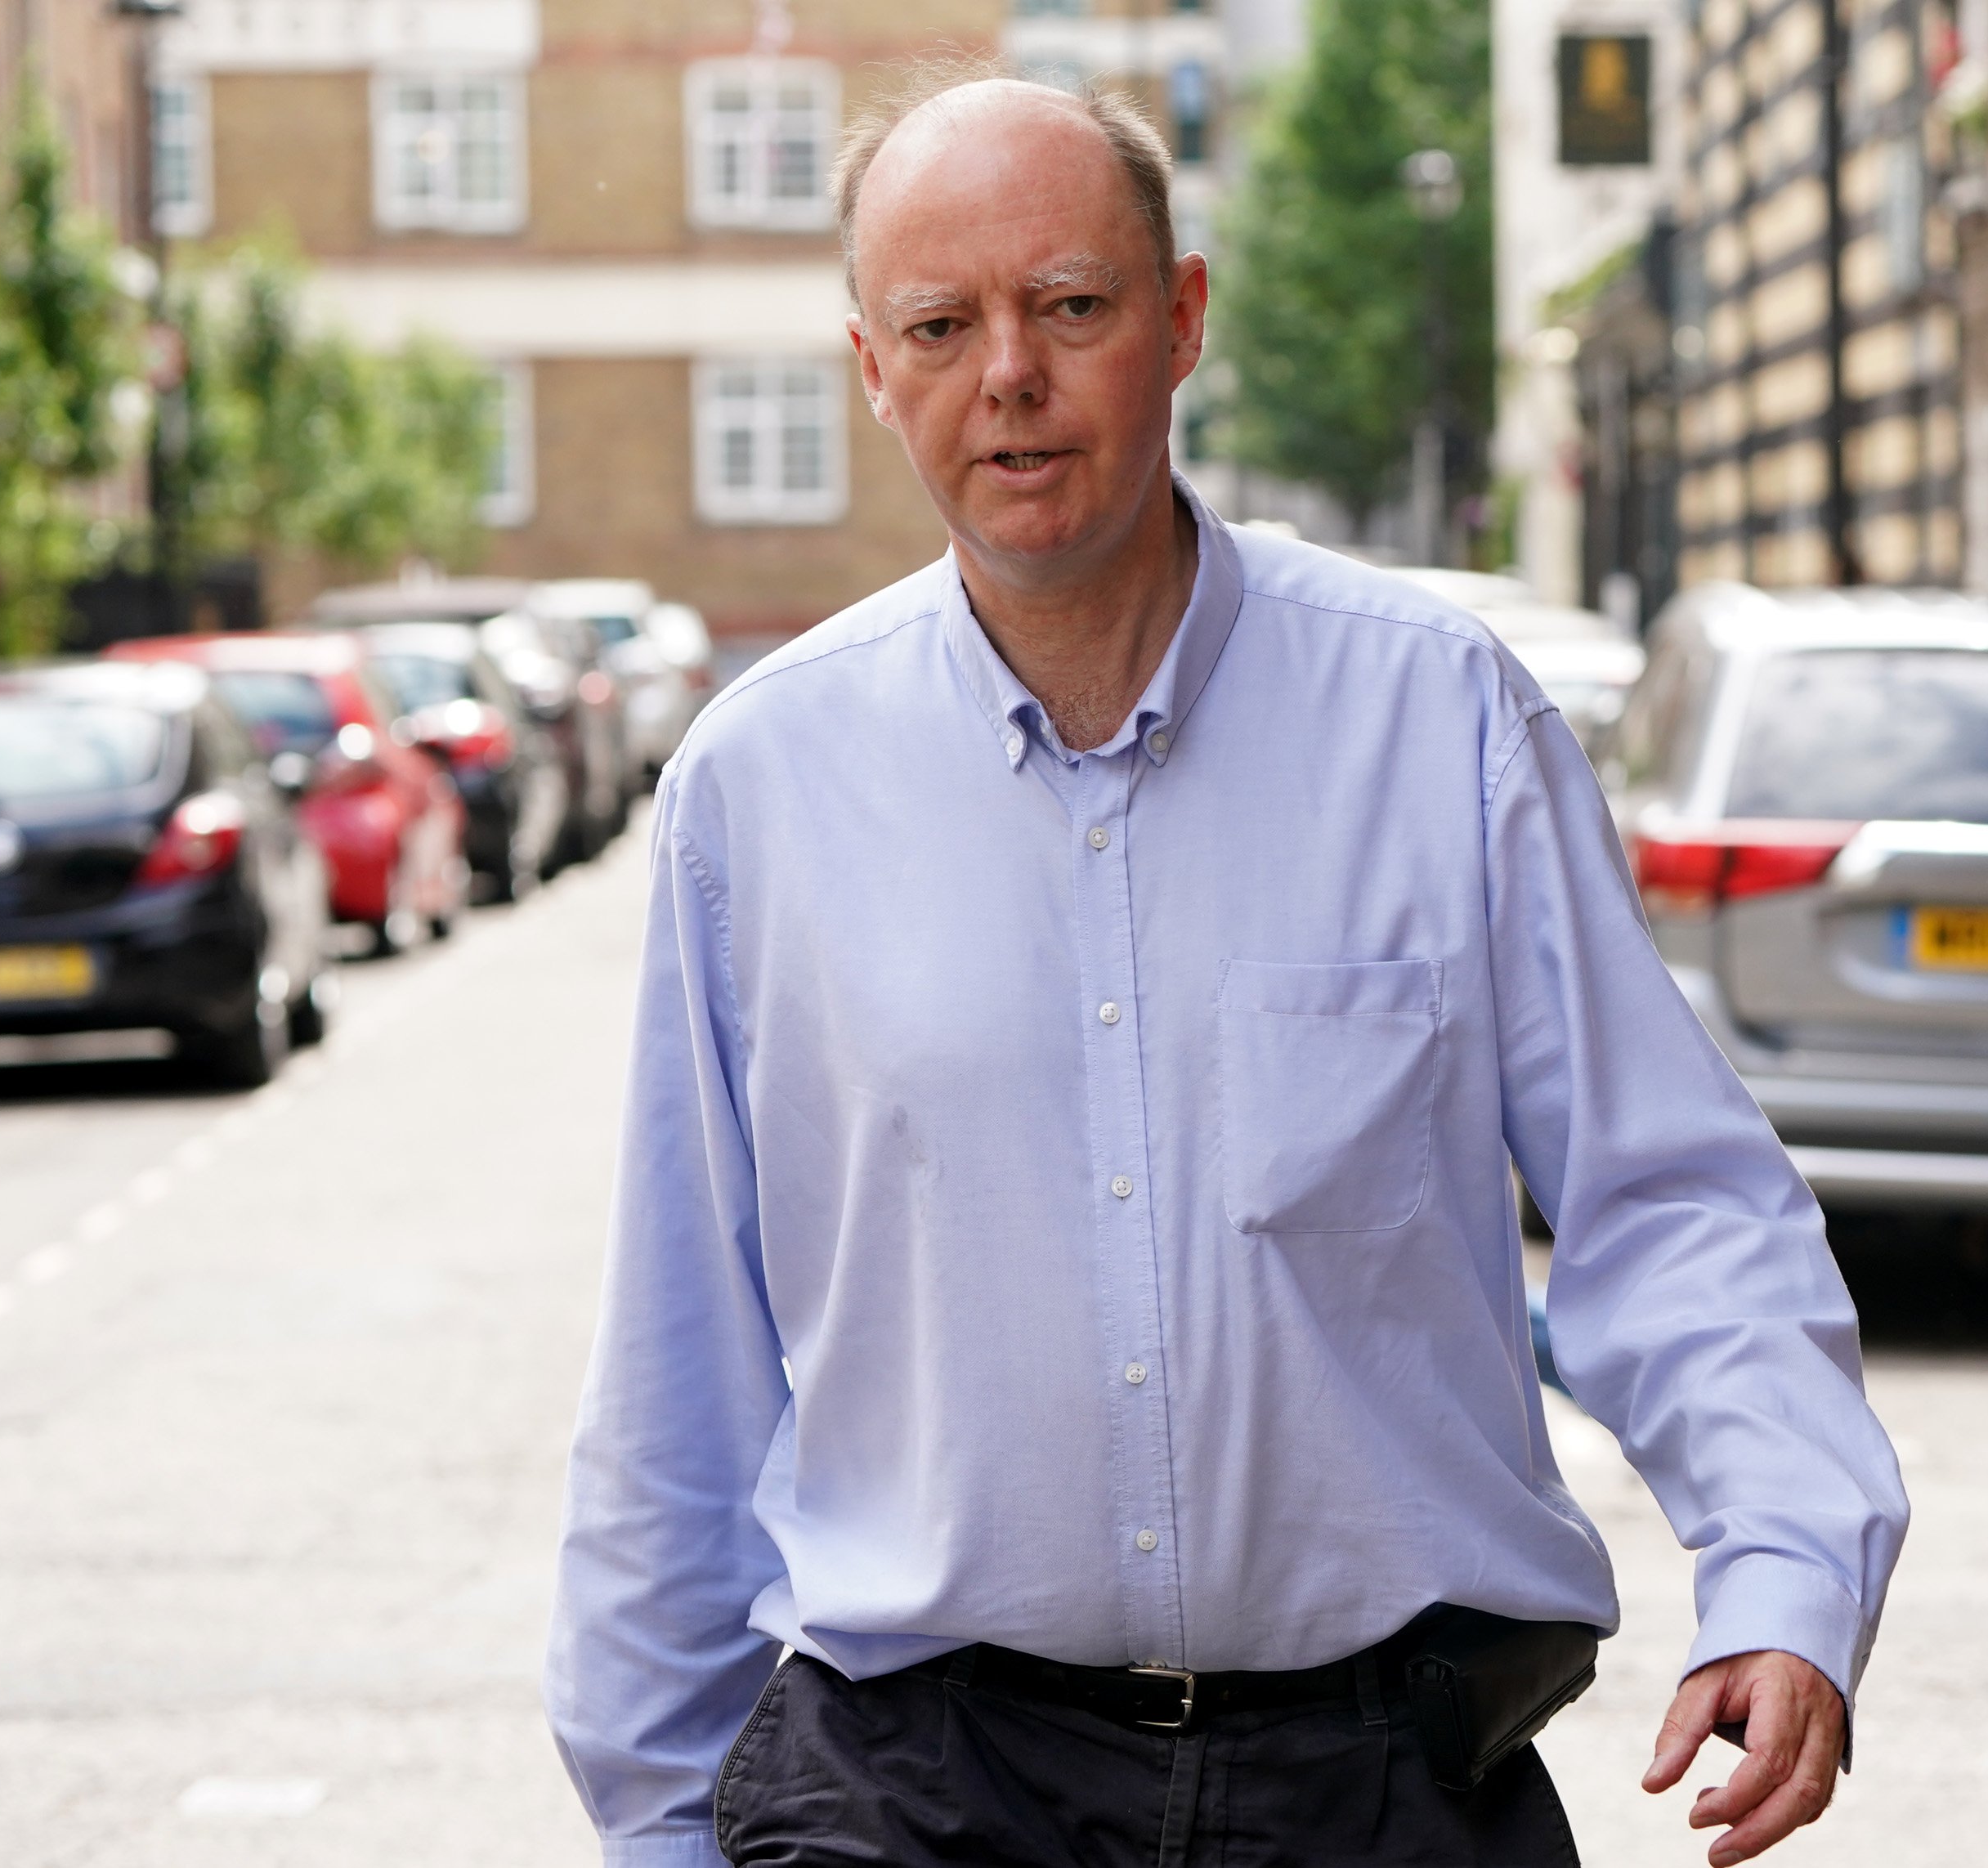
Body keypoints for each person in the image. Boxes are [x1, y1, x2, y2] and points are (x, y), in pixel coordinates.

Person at [546, 66, 1909, 1868]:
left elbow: (1667, 1204)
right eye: (940, 326)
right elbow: (681, 1359)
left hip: (1383, 1786)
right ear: (871, 372)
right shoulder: (759, 786)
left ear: (1179, 321)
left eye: (1070, 306)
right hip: (916, 1791)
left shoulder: (1442, 726)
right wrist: (659, 1822)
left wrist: (1783, 1559)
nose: (1007, 376)